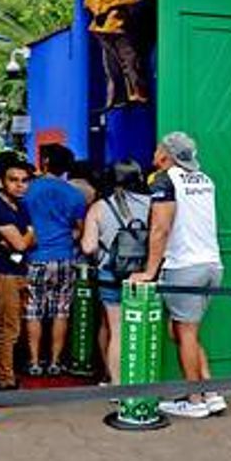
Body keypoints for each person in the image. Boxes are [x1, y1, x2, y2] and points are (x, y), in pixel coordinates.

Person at [130, 131, 225, 419]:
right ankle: (210, 391)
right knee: (185, 331)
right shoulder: (205, 180)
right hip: (211, 266)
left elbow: (160, 229)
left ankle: (195, 400)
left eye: (160, 147)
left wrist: (149, 271)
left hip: (183, 267)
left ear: (166, 155)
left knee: (184, 332)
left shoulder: (165, 180)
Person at [81, 159, 151, 382]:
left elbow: (88, 246)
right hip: (144, 275)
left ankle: (117, 385)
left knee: (116, 330)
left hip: (110, 275)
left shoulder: (99, 207)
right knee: (145, 329)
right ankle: (143, 381)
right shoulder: (153, 204)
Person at [23, 143, 87, 376]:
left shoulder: (29, 190)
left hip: (36, 256)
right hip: (64, 257)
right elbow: (80, 230)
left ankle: (33, 362)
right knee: (61, 311)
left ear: (47, 162)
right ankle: (55, 362)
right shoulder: (75, 194)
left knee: (33, 310)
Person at [0, 152, 35, 389]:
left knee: (11, 328)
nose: (20, 185)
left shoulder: (20, 205)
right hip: (3, 275)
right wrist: (26, 235)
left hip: (17, 273)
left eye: (24, 181)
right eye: (14, 180)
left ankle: (3, 375)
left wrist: (25, 236)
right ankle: (5, 380)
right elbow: (22, 243)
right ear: (2, 181)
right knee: (8, 329)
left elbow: (31, 239)